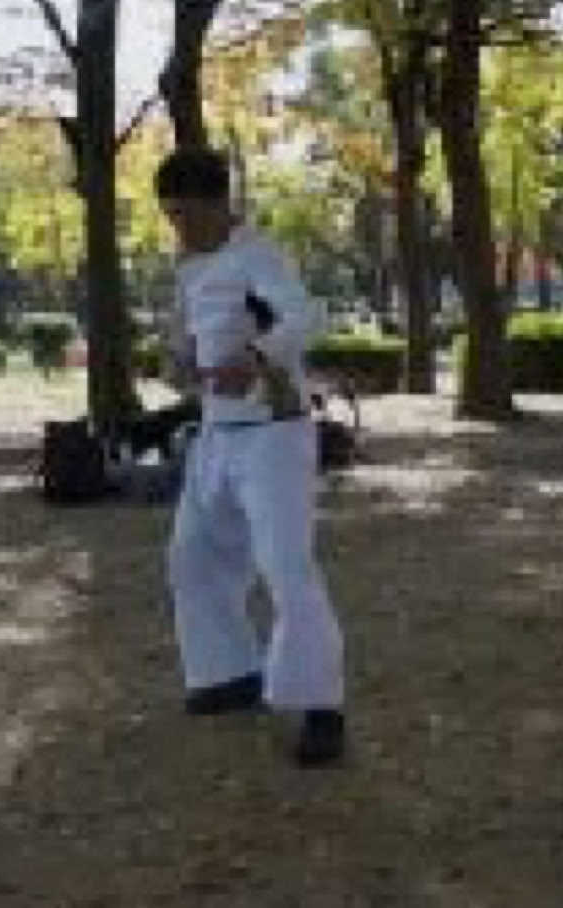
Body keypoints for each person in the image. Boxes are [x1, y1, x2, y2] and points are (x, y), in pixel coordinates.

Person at [155, 147, 346, 768]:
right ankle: (230, 672)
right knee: (193, 554)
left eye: (187, 214)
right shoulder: (190, 268)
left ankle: (321, 707)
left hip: (273, 432)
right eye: (171, 216)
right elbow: (188, 332)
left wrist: (258, 359)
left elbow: (303, 316)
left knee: (286, 567)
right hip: (216, 431)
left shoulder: (259, 254)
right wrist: (179, 357)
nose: (180, 227)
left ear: (218, 203)